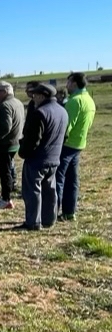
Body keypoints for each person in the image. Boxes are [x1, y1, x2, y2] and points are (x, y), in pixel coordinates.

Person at [18, 84, 68, 230]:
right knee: (50, 191)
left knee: (33, 191)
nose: (33, 99)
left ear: (41, 96)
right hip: (54, 158)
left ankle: (33, 222)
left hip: (37, 159)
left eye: (34, 96)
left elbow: (33, 140)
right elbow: (65, 136)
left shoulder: (40, 113)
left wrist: (23, 152)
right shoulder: (62, 112)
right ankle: (49, 219)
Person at [56, 72, 96, 221]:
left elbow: (66, 127)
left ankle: (52, 212)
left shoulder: (74, 101)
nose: (66, 86)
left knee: (58, 179)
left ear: (74, 83)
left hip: (66, 144)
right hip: (79, 144)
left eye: (68, 83)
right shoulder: (89, 100)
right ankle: (69, 211)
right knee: (72, 179)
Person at [0, 82, 32, 192]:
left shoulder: (5, 105)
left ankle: (6, 196)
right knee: (9, 167)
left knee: (4, 171)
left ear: (5, 92)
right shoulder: (18, 102)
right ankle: (11, 186)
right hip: (16, 141)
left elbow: (6, 127)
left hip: (5, 144)